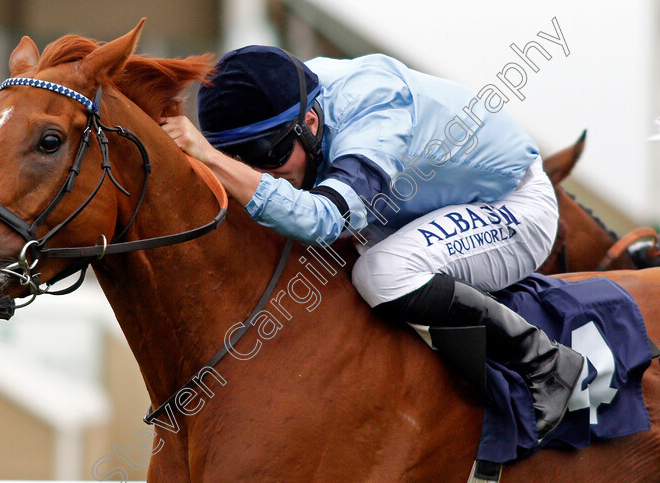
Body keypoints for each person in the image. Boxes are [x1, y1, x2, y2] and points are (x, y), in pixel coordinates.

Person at [160, 46, 583, 441]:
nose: (261, 173)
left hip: (512, 205)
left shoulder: (375, 108)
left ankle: (545, 361)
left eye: (268, 154)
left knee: (382, 273)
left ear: (309, 124)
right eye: (239, 159)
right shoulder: (295, 104)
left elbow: (323, 220)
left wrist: (213, 159)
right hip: (408, 210)